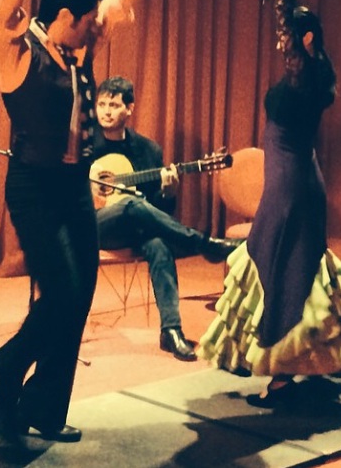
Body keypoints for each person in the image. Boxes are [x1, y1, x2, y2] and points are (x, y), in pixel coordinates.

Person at [0, 0, 150, 443]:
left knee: (78, 299)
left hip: (75, 187)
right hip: (33, 189)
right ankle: (9, 365)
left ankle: (41, 410)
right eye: (85, 22)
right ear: (64, 17)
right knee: (59, 292)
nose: (93, 30)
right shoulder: (17, 52)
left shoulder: (79, 52)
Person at [198, 0, 341, 407]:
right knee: (302, 266)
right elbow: (285, 26)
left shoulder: (306, 74)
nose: (282, 45)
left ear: (304, 40)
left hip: (290, 186)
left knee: (279, 266)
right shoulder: (317, 70)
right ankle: (311, 365)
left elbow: (286, 22)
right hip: (301, 180)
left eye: (289, 40)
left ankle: (281, 379)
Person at [92, 77, 243, 361]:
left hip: (134, 226)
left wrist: (168, 190)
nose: (106, 111)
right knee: (130, 203)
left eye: (114, 104)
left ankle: (170, 330)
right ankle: (205, 243)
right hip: (95, 224)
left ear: (130, 109)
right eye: (102, 104)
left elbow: (159, 211)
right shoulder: (85, 146)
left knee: (159, 244)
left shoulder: (149, 151)